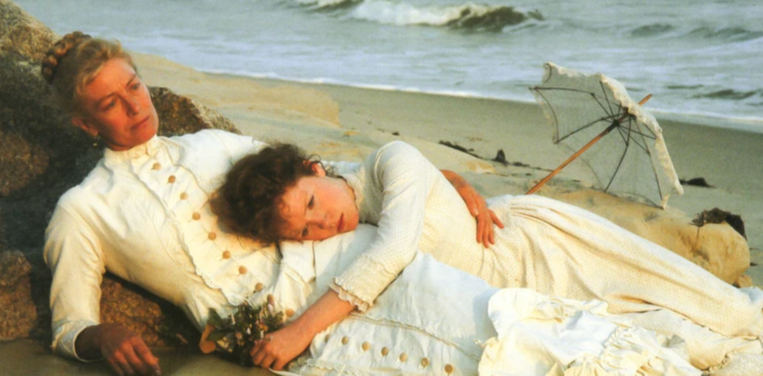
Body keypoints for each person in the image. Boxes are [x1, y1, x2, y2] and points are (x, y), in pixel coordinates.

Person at [40, 32, 498, 376]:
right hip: (271, 342)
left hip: (347, 262)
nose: (135, 107)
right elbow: (67, 326)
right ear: (86, 124)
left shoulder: (212, 144)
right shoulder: (83, 209)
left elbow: (319, 176)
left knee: (486, 326)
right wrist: (100, 335)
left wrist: (432, 178)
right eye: (110, 104)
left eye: (134, 87)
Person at [213, 140, 763, 370]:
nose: (322, 224)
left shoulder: (388, 158)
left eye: (312, 203)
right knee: (662, 338)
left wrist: (299, 332)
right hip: (513, 288)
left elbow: (396, 247)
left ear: (315, 168)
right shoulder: (358, 197)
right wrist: (457, 182)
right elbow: (429, 184)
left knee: (720, 308)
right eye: (304, 230)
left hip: (538, 247)